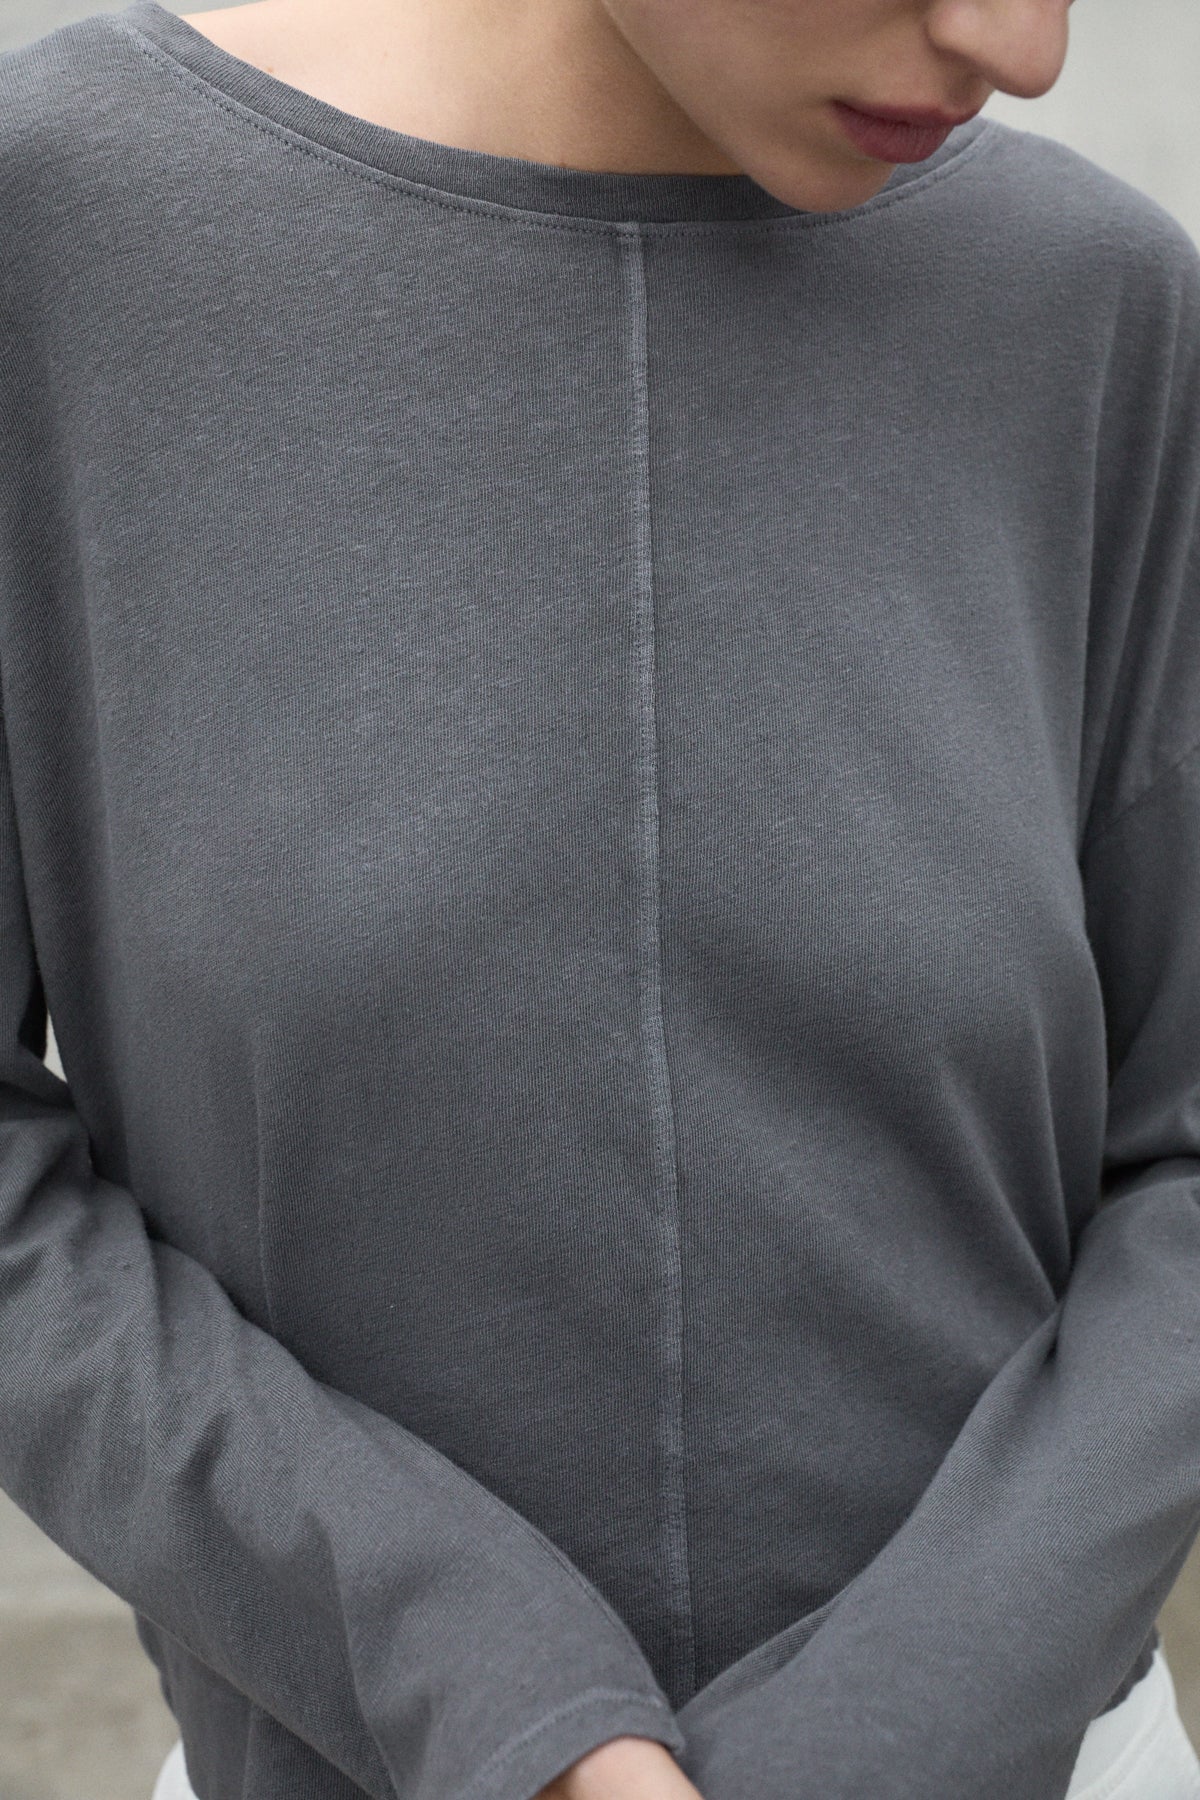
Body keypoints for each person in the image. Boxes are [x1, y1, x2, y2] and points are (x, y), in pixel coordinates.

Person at [2, 0, 1200, 1797]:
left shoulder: (1097, 306)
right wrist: (484, 1690)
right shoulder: (57, 235)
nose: (1019, 48)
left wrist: (894, 1729)